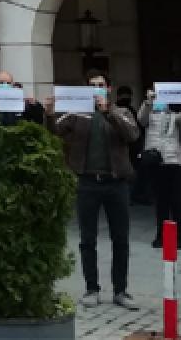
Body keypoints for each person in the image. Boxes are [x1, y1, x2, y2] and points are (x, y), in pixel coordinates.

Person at [46, 70, 141, 311]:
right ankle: (92, 288)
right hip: (87, 182)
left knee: (120, 238)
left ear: (108, 89)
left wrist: (108, 112)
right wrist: (49, 113)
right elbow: (56, 129)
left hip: (116, 183)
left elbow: (132, 134)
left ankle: (121, 290)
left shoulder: (121, 112)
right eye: (92, 86)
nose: (97, 89)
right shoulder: (78, 114)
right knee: (87, 239)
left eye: (100, 85)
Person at [137, 85, 181, 250]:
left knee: (177, 202)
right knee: (161, 202)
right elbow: (141, 119)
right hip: (156, 163)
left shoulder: (175, 117)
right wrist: (148, 101)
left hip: (174, 162)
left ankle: (179, 237)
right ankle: (161, 236)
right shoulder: (149, 117)